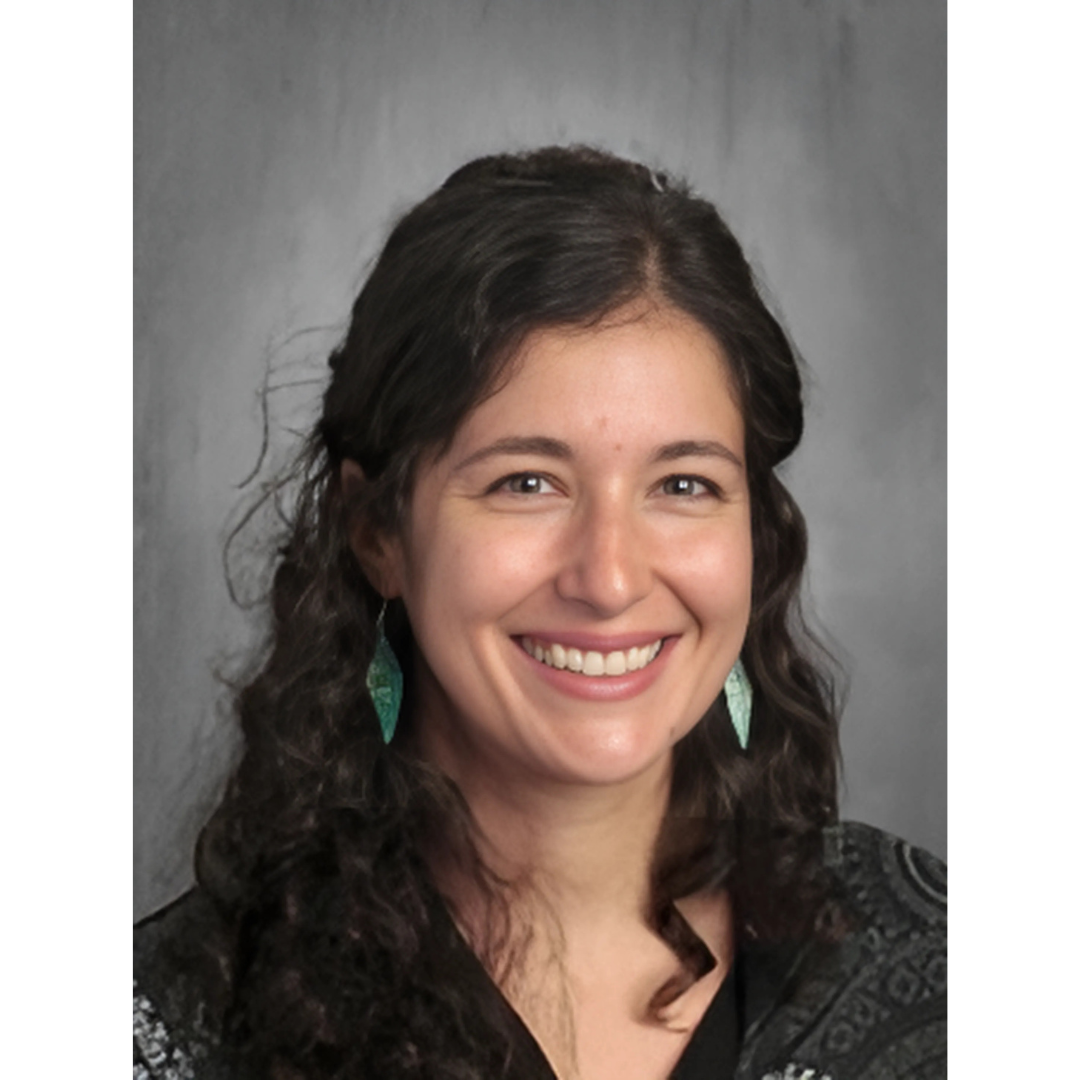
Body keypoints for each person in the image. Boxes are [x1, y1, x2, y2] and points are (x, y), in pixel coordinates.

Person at [134, 146, 946, 1080]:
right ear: (376, 532)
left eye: (683, 484)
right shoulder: (166, 1027)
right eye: (527, 482)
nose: (608, 578)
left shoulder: (948, 981)